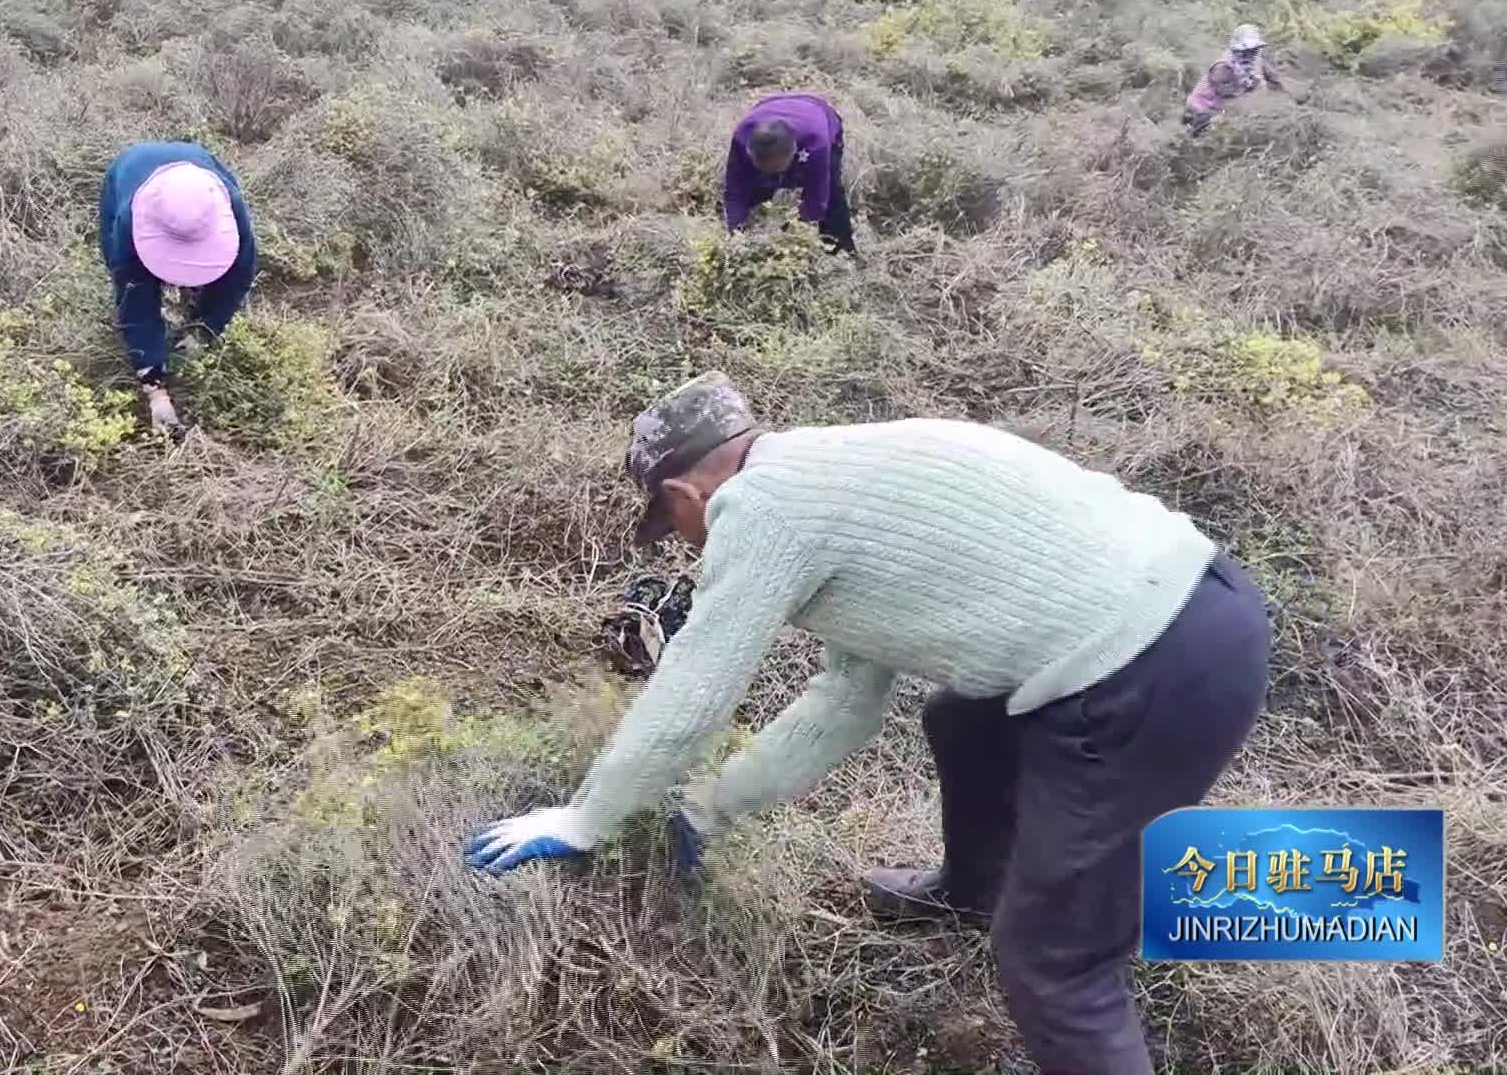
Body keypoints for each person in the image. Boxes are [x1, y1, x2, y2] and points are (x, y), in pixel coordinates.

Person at [463, 372, 1274, 1075]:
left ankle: (1037, 936)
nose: (681, 542)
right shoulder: (827, 470)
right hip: (1199, 603)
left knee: (1057, 962)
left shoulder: (764, 507)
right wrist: (713, 806)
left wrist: (589, 816)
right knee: (963, 720)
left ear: (684, 496)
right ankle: (970, 891)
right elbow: (845, 701)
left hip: (1148, 666)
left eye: (670, 525)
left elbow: (693, 692)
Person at [98, 141, 259, 435]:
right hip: (129, 170)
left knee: (224, 293)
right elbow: (136, 301)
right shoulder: (128, 220)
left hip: (199, 161)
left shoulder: (229, 203)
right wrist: (155, 390)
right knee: (128, 281)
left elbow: (238, 277)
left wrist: (204, 329)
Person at [722, 93, 855, 255]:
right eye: (762, 166)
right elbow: (734, 192)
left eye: (775, 167)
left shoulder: (816, 145)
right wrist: (735, 234)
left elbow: (817, 202)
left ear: (793, 153)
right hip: (770, 105)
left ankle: (845, 254)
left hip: (819, 113)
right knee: (753, 191)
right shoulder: (741, 139)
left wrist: (791, 237)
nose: (768, 171)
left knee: (832, 199)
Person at [1183, 24, 1287, 138]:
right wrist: (1255, 90)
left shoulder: (1256, 60)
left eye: (1254, 50)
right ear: (1236, 49)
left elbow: (1275, 78)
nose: (1250, 54)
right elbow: (1232, 98)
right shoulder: (1222, 68)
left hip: (1224, 106)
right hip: (1202, 110)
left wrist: (1287, 95)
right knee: (1209, 137)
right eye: (1246, 51)